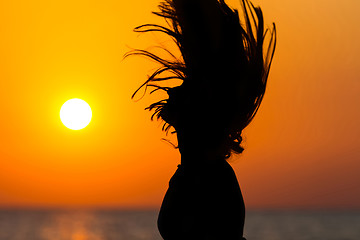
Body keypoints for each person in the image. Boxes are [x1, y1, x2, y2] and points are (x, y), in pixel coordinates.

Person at [128, 0, 276, 239]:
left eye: (185, 87)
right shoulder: (193, 171)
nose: (171, 91)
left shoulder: (211, 178)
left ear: (200, 109)